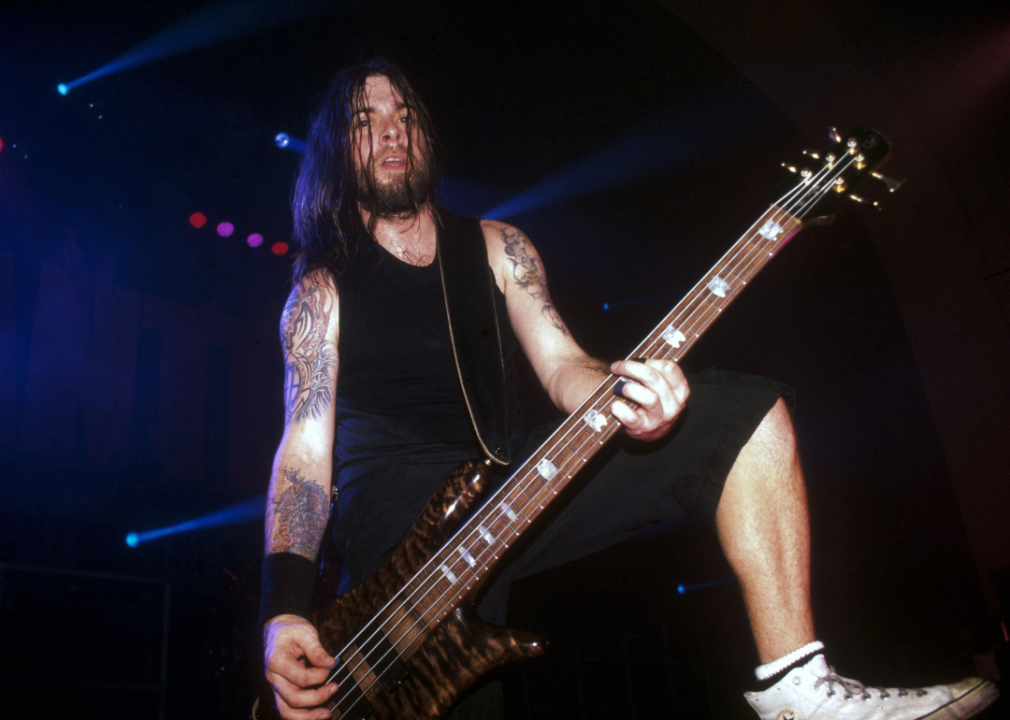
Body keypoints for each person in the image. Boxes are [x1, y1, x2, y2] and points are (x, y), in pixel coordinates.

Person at [258, 59, 998, 720]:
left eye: (405, 115)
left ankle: (798, 690)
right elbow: (305, 451)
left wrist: (627, 395)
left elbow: (561, 365)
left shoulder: (497, 246)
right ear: (338, 150)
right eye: (366, 121)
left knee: (741, 413)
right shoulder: (324, 291)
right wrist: (284, 611)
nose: (392, 132)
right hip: (396, 547)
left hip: (503, 492)